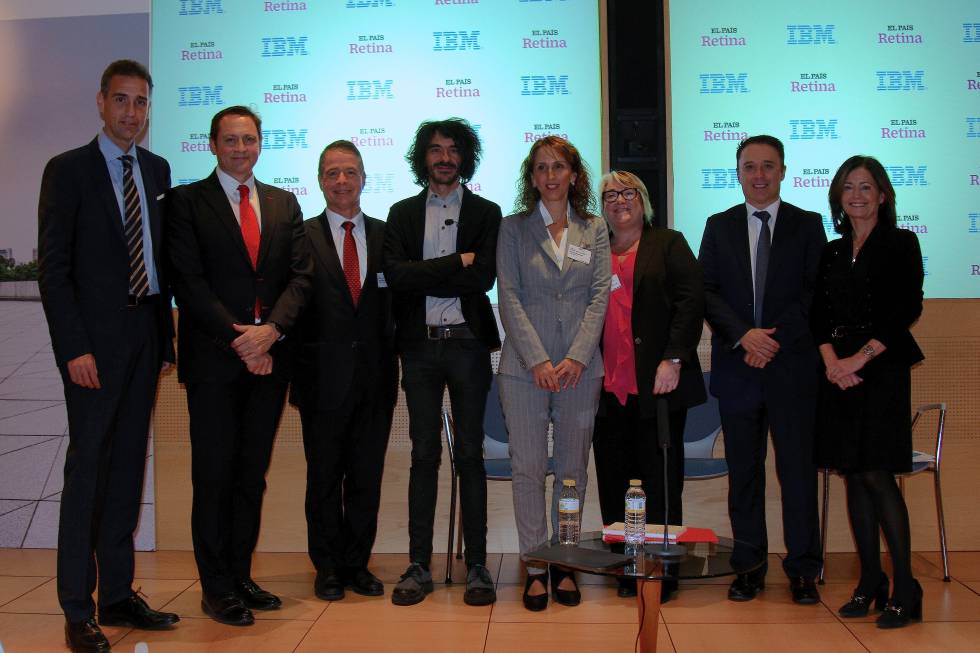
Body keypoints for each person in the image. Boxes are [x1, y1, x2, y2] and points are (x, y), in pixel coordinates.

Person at [37, 59, 180, 653]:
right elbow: (54, 269)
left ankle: (118, 596)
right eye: (121, 100)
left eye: (141, 102)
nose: (131, 113)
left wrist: (166, 342)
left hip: (145, 337)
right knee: (88, 474)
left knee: (127, 471)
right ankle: (78, 607)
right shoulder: (67, 171)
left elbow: (161, 261)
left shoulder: (156, 169)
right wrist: (73, 348)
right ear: (100, 103)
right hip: (92, 348)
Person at [167, 105, 312, 626]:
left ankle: (240, 575)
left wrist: (270, 332)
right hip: (215, 363)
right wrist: (241, 341)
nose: (241, 148)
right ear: (212, 145)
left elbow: (300, 280)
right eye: (230, 140)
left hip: (270, 361)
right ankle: (216, 588)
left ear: (260, 144)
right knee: (214, 477)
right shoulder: (186, 203)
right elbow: (189, 282)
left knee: (252, 477)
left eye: (249, 139)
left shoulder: (283, 203)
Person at [698, 135, 826, 604]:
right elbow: (706, 291)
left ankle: (803, 570)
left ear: (783, 171)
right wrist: (744, 336)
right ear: (737, 173)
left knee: (796, 474)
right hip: (738, 367)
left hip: (792, 368)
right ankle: (748, 567)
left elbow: (815, 293)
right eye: (749, 166)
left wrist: (770, 339)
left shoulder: (808, 225)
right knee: (744, 475)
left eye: (768, 166)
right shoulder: (718, 225)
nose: (759, 174)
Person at [382, 118, 501, 607]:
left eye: (453, 150)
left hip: (468, 345)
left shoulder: (486, 212)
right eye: (435, 150)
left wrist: (430, 274)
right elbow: (396, 276)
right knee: (424, 455)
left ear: (464, 157)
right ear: (422, 158)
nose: (444, 157)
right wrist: (458, 263)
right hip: (420, 348)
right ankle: (418, 564)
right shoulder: (402, 212)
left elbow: (484, 280)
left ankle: (476, 565)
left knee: (471, 455)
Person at [496, 135, 611, 611]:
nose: (550, 176)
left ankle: (564, 559)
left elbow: (599, 294)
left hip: (581, 372)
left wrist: (578, 357)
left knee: (570, 473)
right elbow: (510, 296)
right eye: (541, 168)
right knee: (526, 470)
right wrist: (540, 360)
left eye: (558, 166)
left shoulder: (595, 228)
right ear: (532, 177)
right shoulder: (512, 228)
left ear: (574, 175)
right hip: (525, 370)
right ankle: (535, 565)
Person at [811, 156, 924, 628]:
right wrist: (833, 363)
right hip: (838, 373)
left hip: (881, 372)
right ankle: (870, 581)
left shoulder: (901, 243)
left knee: (878, 474)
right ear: (838, 196)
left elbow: (905, 309)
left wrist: (860, 358)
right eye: (849, 187)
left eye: (867, 187)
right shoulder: (833, 251)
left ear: (882, 196)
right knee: (853, 475)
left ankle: (905, 587)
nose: (857, 195)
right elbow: (817, 312)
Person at [289, 140, 398, 602]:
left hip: (375, 378)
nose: (341, 181)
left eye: (349, 172)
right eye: (332, 173)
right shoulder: (301, 234)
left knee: (366, 477)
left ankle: (357, 564)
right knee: (323, 479)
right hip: (320, 380)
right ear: (319, 181)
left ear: (363, 179)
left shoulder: (385, 234)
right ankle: (327, 568)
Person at [591, 171, 705, 601]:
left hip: (657, 386)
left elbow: (691, 301)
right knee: (614, 482)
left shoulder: (668, 243)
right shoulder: (595, 250)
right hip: (606, 389)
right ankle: (625, 567)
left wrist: (673, 358)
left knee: (659, 484)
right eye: (610, 195)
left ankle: (661, 570)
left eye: (628, 192)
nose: (619, 200)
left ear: (643, 199)